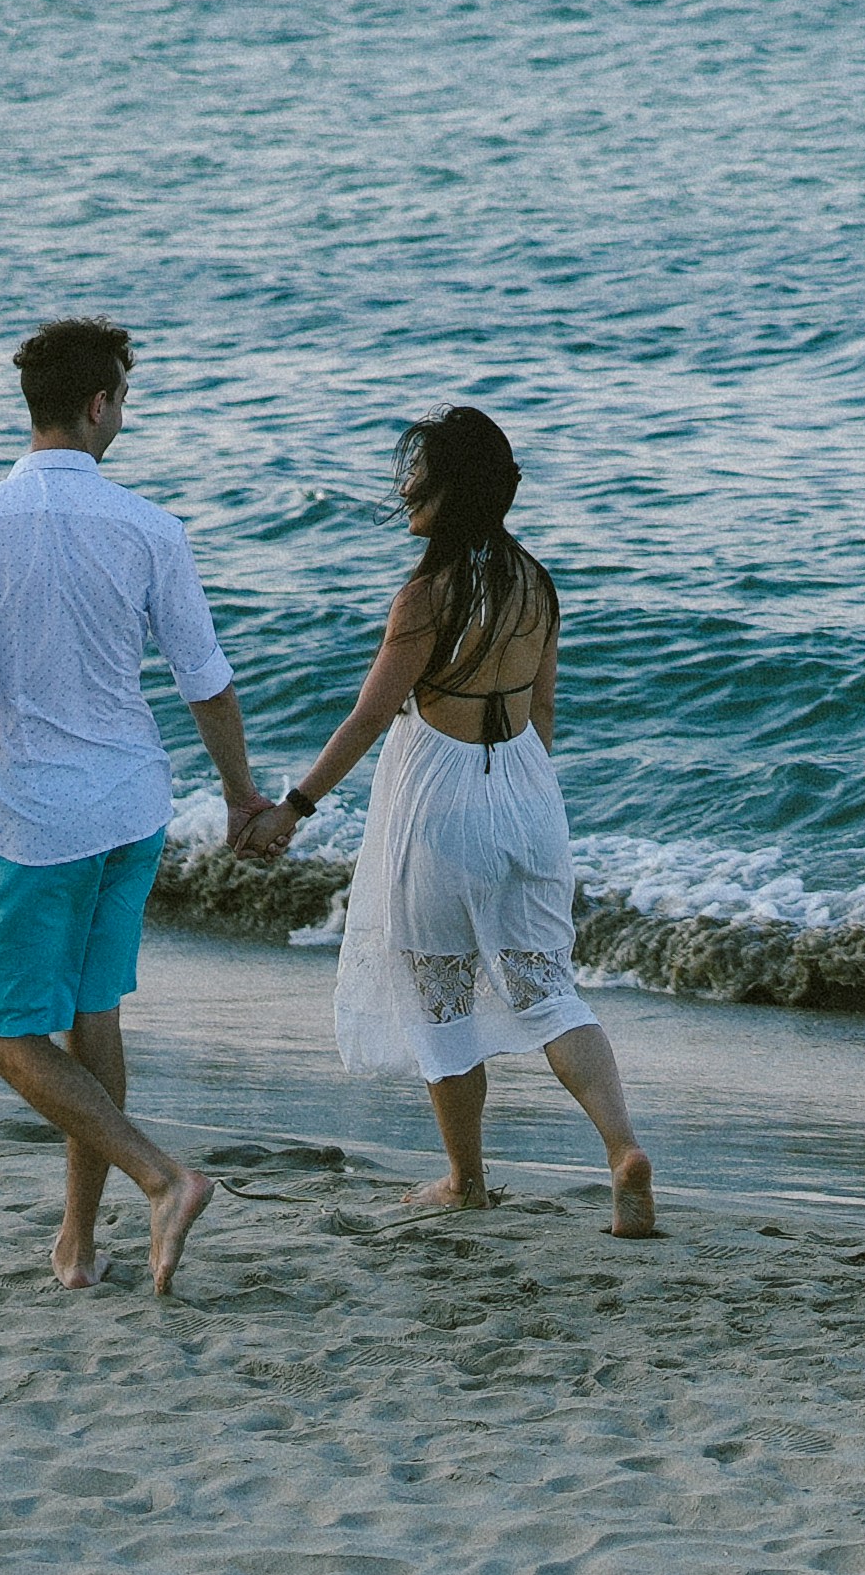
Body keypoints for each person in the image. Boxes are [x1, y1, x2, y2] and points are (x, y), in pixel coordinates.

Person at [0, 317, 271, 1294]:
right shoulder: (151, 528)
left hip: (36, 822)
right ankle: (78, 1242)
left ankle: (162, 1178)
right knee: (91, 1019)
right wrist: (240, 795)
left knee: (4, 1034)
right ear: (101, 403)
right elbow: (207, 679)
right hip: (130, 812)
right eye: (123, 401)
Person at [244, 401, 653, 1234]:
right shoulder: (537, 583)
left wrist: (292, 807)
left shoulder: (426, 597)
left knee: (441, 996)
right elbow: (542, 716)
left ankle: (464, 1180)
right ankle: (621, 1150)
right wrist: (518, 795)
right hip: (529, 799)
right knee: (549, 991)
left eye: (418, 477)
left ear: (450, 493)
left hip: (441, 804)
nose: (406, 490)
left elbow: (367, 719)